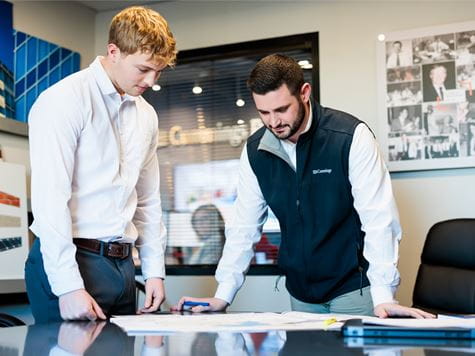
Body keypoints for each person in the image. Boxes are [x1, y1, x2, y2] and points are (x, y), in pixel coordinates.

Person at [174, 54, 434, 319]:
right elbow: (244, 226)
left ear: (304, 93)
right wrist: (223, 294)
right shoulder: (255, 151)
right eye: (264, 112)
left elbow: (379, 219)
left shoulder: (349, 137)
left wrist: (383, 295)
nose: (273, 122)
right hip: (300, 293)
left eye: (281, 109)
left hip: (354, 289)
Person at [25, 6, 177, 323]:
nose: (151, 80)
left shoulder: (146, 114)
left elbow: (148, 200)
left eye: (159, 71)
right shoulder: (63, 100)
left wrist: (153, 272)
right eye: (144, 69)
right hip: (71, 260)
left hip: (122, 266)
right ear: (114, 51)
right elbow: (50, 199)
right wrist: (67, 286)